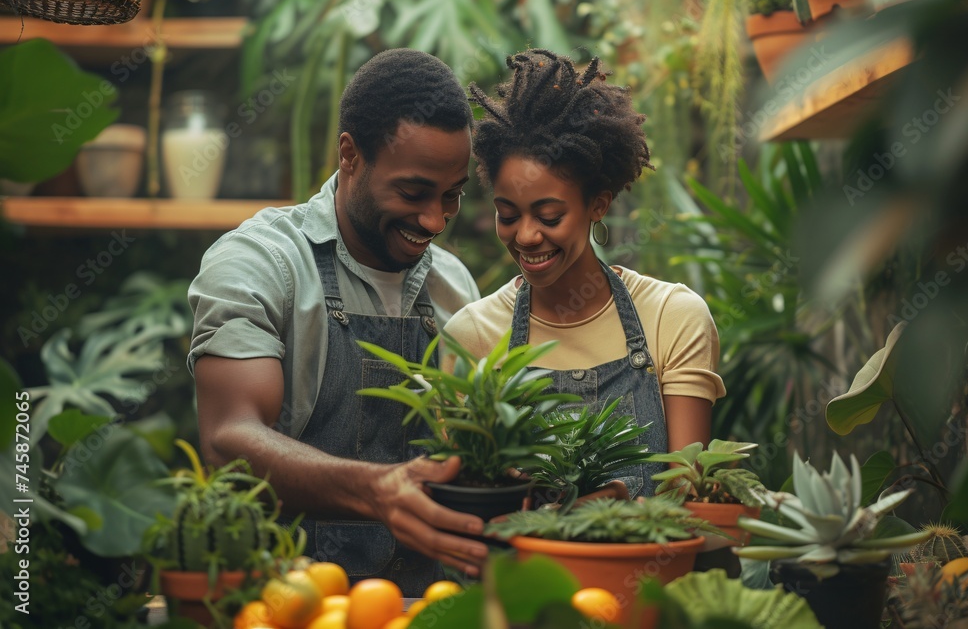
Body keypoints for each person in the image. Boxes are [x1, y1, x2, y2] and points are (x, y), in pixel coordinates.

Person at [187, 49, 490, 596]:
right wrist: (377, 490)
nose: (434, 220)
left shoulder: (455, 288)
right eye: (414, 192)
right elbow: (227, 439)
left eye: (453, 195)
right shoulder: (259, 263)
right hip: (285, 603)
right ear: (350, 155)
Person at [445, 49, 726, 498]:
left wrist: (615, 499)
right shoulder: (474, 334)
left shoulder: (672, 317)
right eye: (508, 215)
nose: (527, 236)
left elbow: (685, 499)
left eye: (550, 216)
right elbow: (466, 508)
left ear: (598, 204)